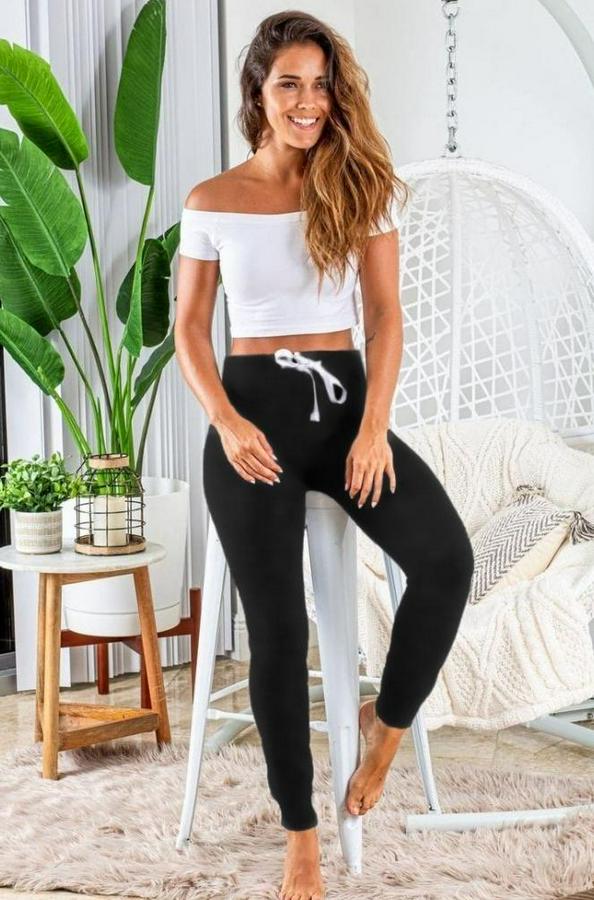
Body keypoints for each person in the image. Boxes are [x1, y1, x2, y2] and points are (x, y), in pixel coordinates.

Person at [175, 11, 474, 900]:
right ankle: (300, 832)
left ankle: (387, 727)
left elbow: (383, 318)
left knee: (446, 561)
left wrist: (375, 427)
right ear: (258, 95)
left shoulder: (360, 183)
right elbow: (190, 330)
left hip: (345, 415)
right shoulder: (212, 200)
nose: (307, 102)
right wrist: (227, 421)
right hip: (252, 425)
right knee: (276, 633)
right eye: (288, 85)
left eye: (320, 84)